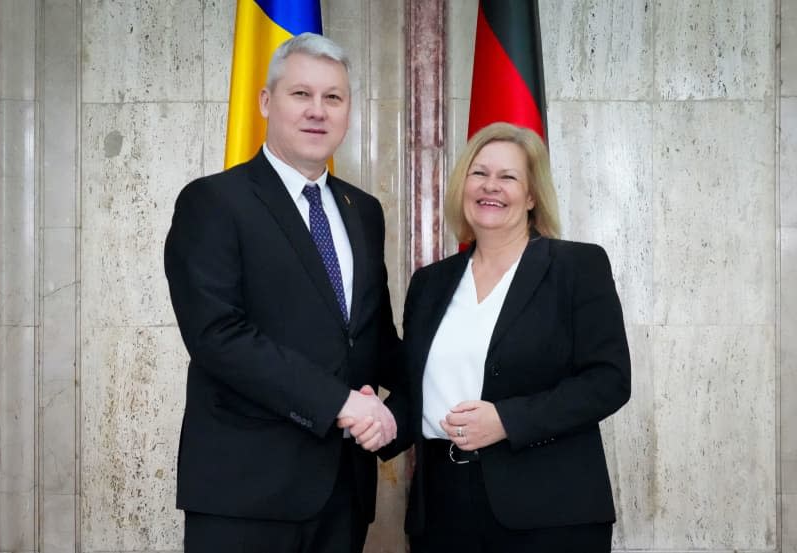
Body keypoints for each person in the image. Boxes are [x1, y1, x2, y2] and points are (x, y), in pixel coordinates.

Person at [164, 32, 400, 553]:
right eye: (301, 94)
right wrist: (340, 403)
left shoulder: (364, 212)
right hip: (245, 495)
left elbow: (374, 338)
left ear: (347, 111)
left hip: (343, 493)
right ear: (267, 103)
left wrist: (419, 408)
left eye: (333, 97)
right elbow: (217, 336)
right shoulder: (213, 202)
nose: (318, 110)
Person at [376, 122, 631, 552]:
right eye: (479, 174)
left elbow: (608, 381)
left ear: (531, 195)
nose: (489, 186)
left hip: (549, 514)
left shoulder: (576, 267)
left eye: (507, 177)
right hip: (442, 512)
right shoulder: (430, 283)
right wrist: (373, 420)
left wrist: (506, 421)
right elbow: (414, 390)